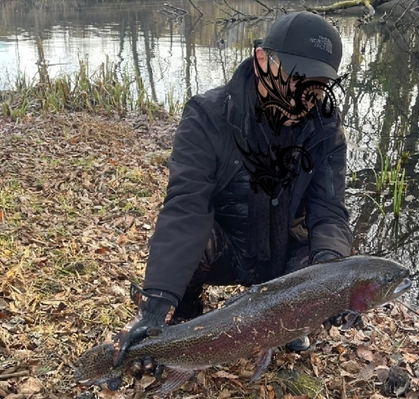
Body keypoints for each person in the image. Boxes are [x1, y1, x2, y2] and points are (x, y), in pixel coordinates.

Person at [112, 11, 353, 367]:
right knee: (195, 238)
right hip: (231, 249)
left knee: (327, 254)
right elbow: (185, 207)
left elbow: (329, 210)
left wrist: (336, 280)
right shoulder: (208, 117)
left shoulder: (326, 129)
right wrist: (156, 303)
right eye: (294, 78)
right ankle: (184, 316)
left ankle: (288, 325)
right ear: (262, 61)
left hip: (286, 254)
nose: (303, 98)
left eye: (316, 86)